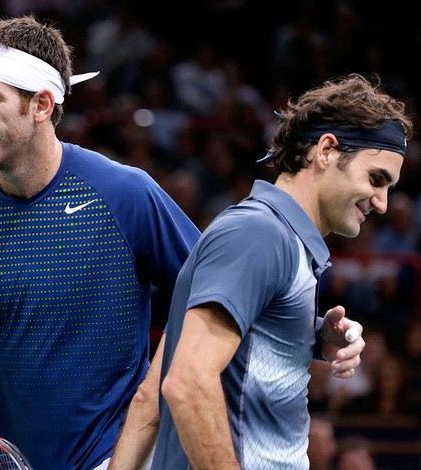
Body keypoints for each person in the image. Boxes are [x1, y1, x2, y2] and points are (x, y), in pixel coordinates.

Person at [0, 14, 200, 470]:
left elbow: (219, 293)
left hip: (120, 459)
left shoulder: (125, 194)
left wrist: (314, 334)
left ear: (42, 105)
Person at [111, 73, 413, 469]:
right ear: (326, 151)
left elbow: (152, 395)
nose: (383, 203)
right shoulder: (259, 235)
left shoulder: (272, 238)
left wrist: (311, 336)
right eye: (376, 179)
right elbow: (187, 384)